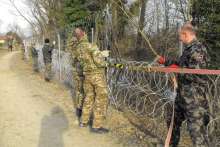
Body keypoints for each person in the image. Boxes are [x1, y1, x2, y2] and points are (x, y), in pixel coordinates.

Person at [158, 22, 210, 147]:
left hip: (194, 100)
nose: (179, 38)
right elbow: (182, 65)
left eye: (180, 35)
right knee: (172, 120)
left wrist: (176, 70)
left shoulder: (198, 49)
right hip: (182, 97)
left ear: (185, 34)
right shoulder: (189, 49)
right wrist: (166, 62)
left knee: (196, 134)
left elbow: (196, 75)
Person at [74, 27, 110, 134]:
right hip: (97, 76)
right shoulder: (91, 45)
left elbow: (82, 61)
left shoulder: (78, 48)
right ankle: (96, 126)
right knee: (101, 98)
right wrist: (104, 58)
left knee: (88, 98)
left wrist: (98, 54)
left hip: (87, 76)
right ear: (84, 33)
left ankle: (84, 121)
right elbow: (99, 62)